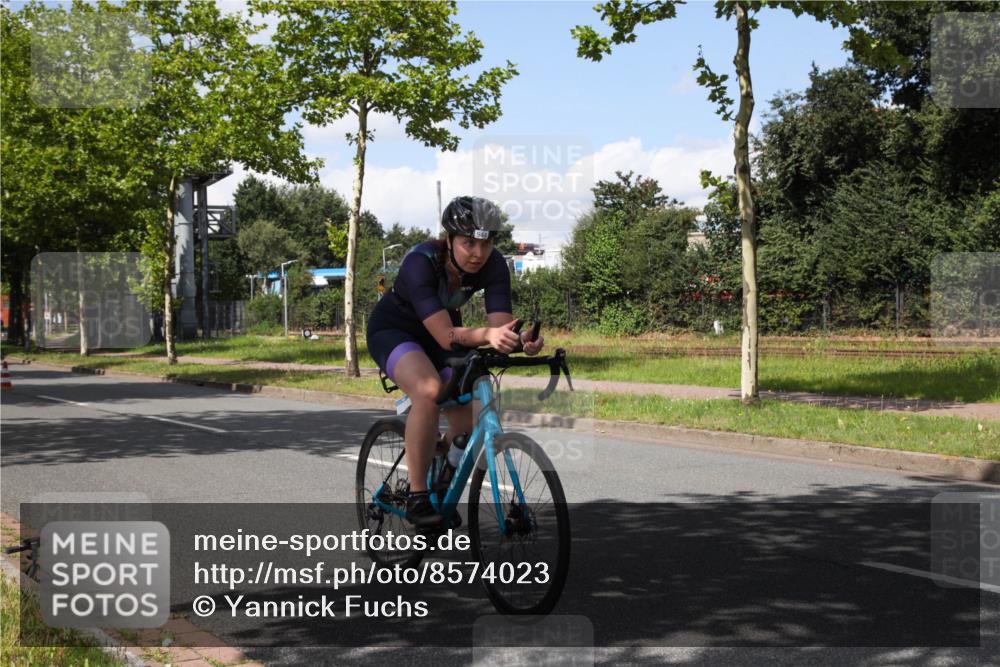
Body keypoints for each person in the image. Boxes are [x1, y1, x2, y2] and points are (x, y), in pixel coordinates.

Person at [365, 196, 544, 530]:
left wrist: (521, 342)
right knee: (429, 390)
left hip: (444, 334)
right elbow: (447, 335)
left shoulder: (493, 266)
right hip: (395, 332)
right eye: (468, 243)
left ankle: (445, 475)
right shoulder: (420, 261)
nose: (478, 253)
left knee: (477, 407)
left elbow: (499, 329)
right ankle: (418, 496)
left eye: (486, 243)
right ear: (448, 239)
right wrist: (488, 335)